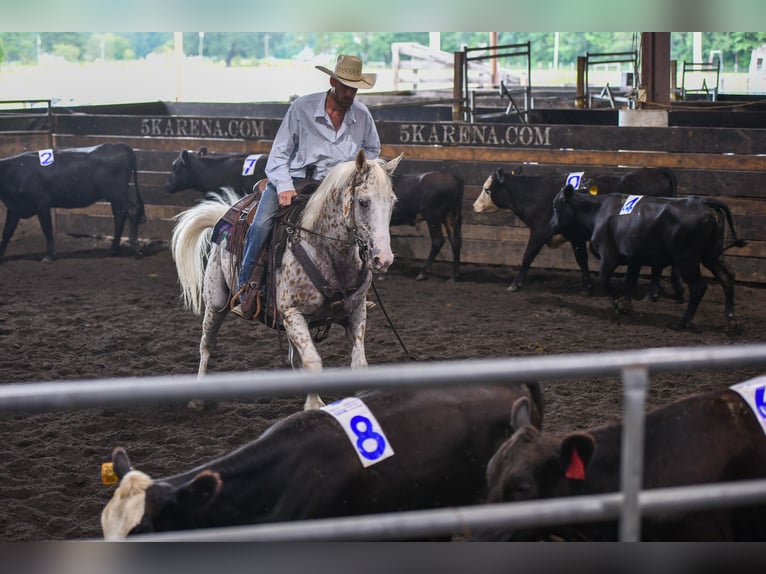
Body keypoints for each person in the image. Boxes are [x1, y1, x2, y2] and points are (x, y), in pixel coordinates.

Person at [232, 54, 381, 320]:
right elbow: (278, 155)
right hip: (298, 181)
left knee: (362, 224)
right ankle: (247, 290)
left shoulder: (362, 115)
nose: (349, 93)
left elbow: (372, 149)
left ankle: (357, 293)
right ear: (332, 81)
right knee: (262, 224)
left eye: (354, 88)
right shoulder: (302, 108)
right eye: (345, 87)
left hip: (337, 189)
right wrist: (285, 186)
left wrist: (356, 170)